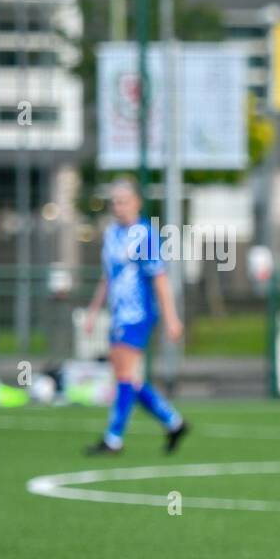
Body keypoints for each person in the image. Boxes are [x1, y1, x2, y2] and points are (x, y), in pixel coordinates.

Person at [82, 178, 189, 456]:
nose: (119, 207)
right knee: (127, 378)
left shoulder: (146, 235)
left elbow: (160, 279)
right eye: (115, 202)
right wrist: (93, 311)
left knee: (125, 375)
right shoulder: (111, 234)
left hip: (138, 314)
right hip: (118, 314)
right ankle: (173, 422)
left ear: (137, 203)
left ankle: (113, 438)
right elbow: (107, 277)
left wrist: (171, 318)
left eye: (124, 201)